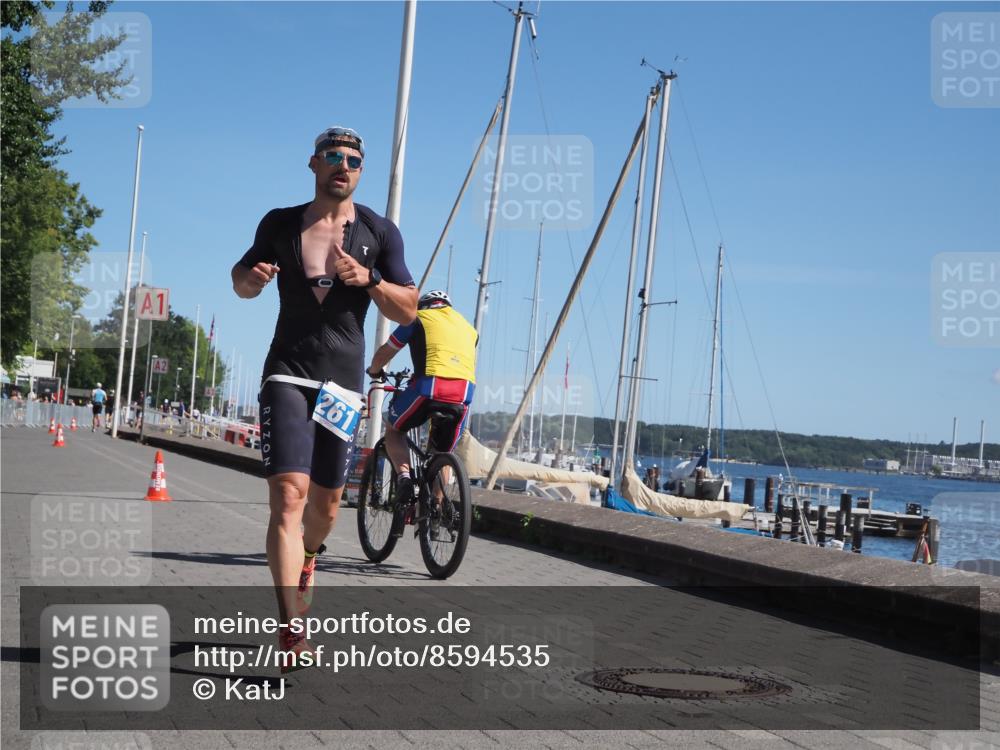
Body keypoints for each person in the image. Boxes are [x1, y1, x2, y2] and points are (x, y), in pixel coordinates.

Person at [231, 125, 417, 666]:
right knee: (289, 494)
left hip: (341, 381)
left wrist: (369, 281)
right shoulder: (280, 223)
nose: (344, 165)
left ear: (361, 171)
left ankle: (309, 556)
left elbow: (409, 308)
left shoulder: (380, 233)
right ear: (313, 164)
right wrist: (255, 278)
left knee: (327, 506)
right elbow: (239, 281)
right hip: (287, 371)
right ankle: (291, 626)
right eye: (333, 156)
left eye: (353, 159)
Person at [366, 290, 477, 536]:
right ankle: (436, 509)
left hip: (429, 387)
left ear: (425, 304)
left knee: (394, 428)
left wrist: (374, 370)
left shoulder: (416, 318)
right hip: (463, 394)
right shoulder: (468, 328)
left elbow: (388, 349)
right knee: (443, 453)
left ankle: (404, 478)